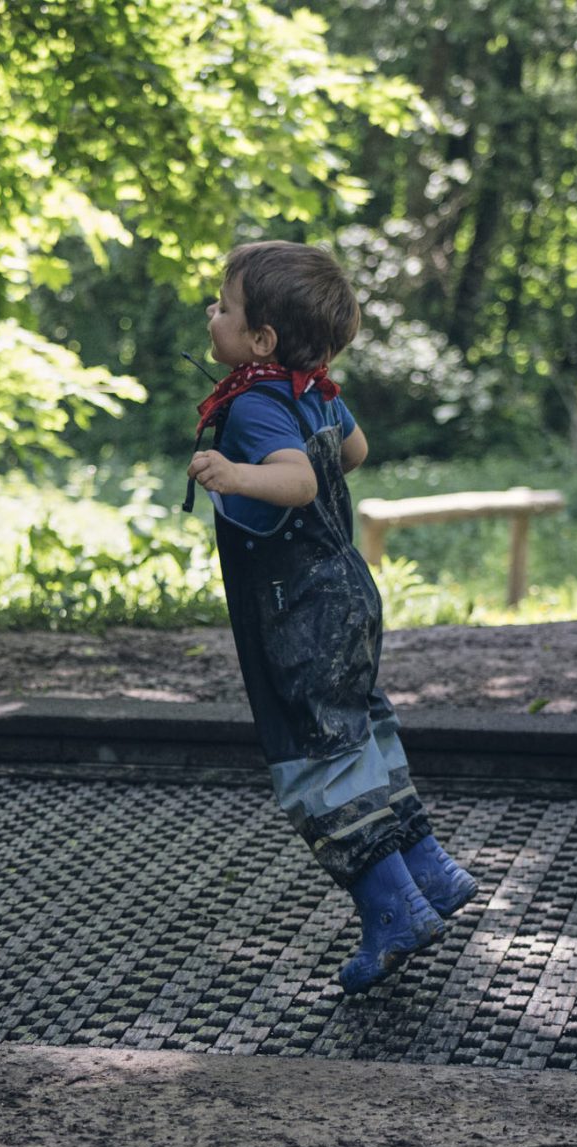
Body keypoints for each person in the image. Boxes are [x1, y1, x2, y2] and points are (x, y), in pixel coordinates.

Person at [186, 240, 478, 994]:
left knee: (316, 760)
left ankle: (393, 912)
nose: (211, 313)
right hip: (348, 592)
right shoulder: (312, 388)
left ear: (261, 341)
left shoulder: (254, 403)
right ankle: (429, 871)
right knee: (362, 734)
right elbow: (353, 452)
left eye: (225, 306)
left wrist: (234, 471)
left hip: (297, 608)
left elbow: (297, 482)